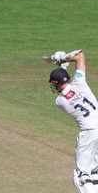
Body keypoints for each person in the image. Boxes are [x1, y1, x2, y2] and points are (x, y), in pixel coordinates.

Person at [48, 49, 98, 192]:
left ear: (57, 84)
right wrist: (64, 59)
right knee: (94, 172)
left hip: (89, 134)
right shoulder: (79, 82)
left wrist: (61, 64)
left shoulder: (61, 101)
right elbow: (80, 55)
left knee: (81, 175)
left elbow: (65, 91)